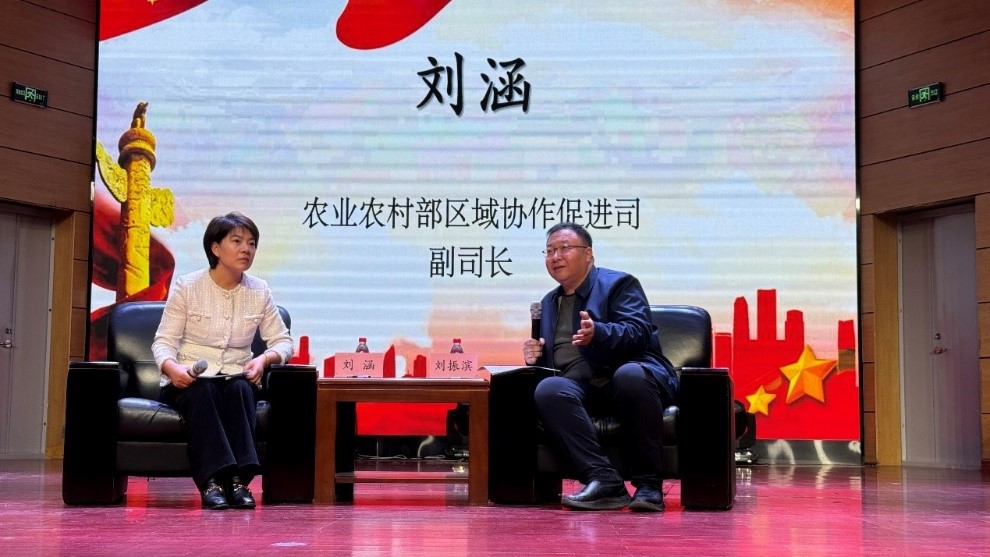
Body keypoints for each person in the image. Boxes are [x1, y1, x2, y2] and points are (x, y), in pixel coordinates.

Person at [523, 222, 678, 512]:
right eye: (550, 251)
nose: (556, 256)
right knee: (549, 388)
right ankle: (605, 481)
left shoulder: (619, 284)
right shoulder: (549, 302)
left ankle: (648, 485)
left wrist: (600, 333)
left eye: (564, 248)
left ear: (588, 254)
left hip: (630, 379)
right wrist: (535, 357)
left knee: (629, 375)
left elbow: (638, 332)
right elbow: (557, 363)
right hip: (584, 390)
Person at [153, 212, 294, 510]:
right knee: (202, 391)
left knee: (240, 389)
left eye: (252, 243)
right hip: (189, 380)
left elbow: (283, 342)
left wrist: (263, 360)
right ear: (215, 248)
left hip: (236, 377)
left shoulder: (259, 291)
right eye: (237, 241)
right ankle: (214, 482)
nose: (246, 249)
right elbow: (163, 342)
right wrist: (173, 369)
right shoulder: (187, 286)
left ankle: (239, 483)